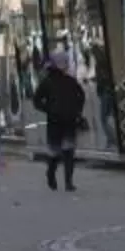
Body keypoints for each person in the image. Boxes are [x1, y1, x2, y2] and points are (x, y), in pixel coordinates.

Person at [35, 49, 89, 191]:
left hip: (60, 121)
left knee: (64, 152)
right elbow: (81, 97)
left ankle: (63, 180)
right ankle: (55, 176)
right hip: (63, 121)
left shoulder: (67, 81)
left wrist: (49, 109)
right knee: (62, 152)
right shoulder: (52, 82)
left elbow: (37, 101)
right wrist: (76, 111)